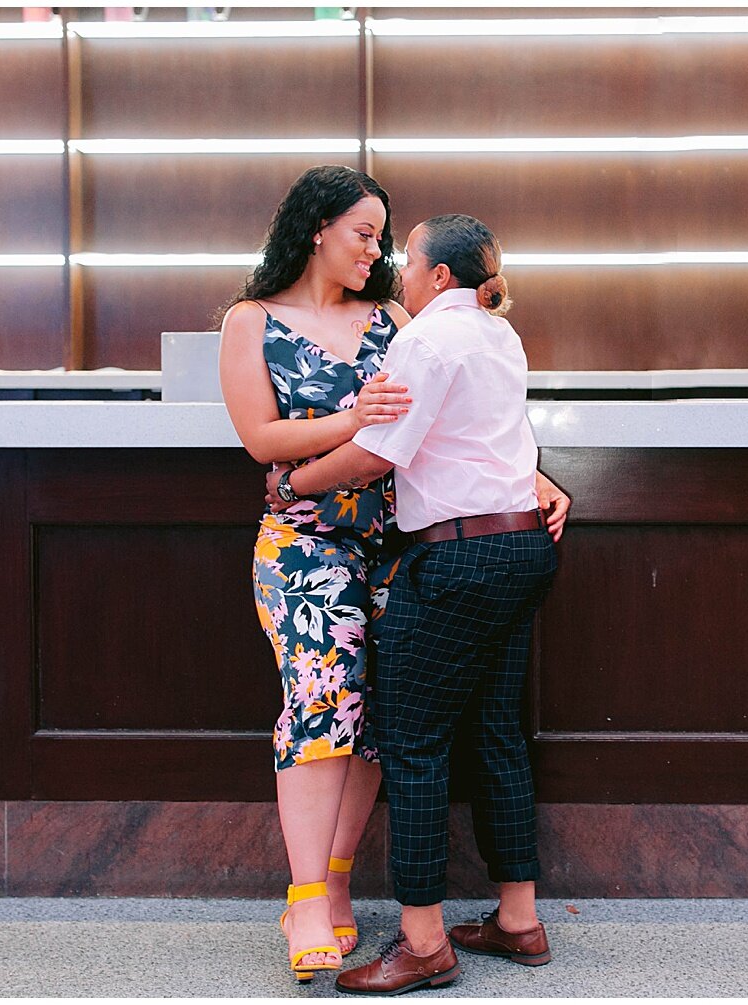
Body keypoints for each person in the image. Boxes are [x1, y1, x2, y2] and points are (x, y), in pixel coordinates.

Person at [265, 214, 565, 996]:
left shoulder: (423, 339)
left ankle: (424, 941)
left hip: (457, 556)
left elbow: (376, 453)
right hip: (524, 548)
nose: (396, 266)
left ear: (438, 276)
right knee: (497, 730)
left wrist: (295, 481)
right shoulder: (501, 335)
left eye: (407, 256)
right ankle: (518, 919)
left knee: (412, 741)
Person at [218, 164, 413, 982]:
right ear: (315, 230)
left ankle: (335, 883)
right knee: (323, 696)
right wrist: (353, 417)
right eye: (362, 232)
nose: (375, 248)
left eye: (381, 235)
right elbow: (261, 440)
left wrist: (537, 479)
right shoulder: (249, 321)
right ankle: (303, 895)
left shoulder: (394, 317)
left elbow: (445, 415)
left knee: (374, 717)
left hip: (396, 543)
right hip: (301, 544)